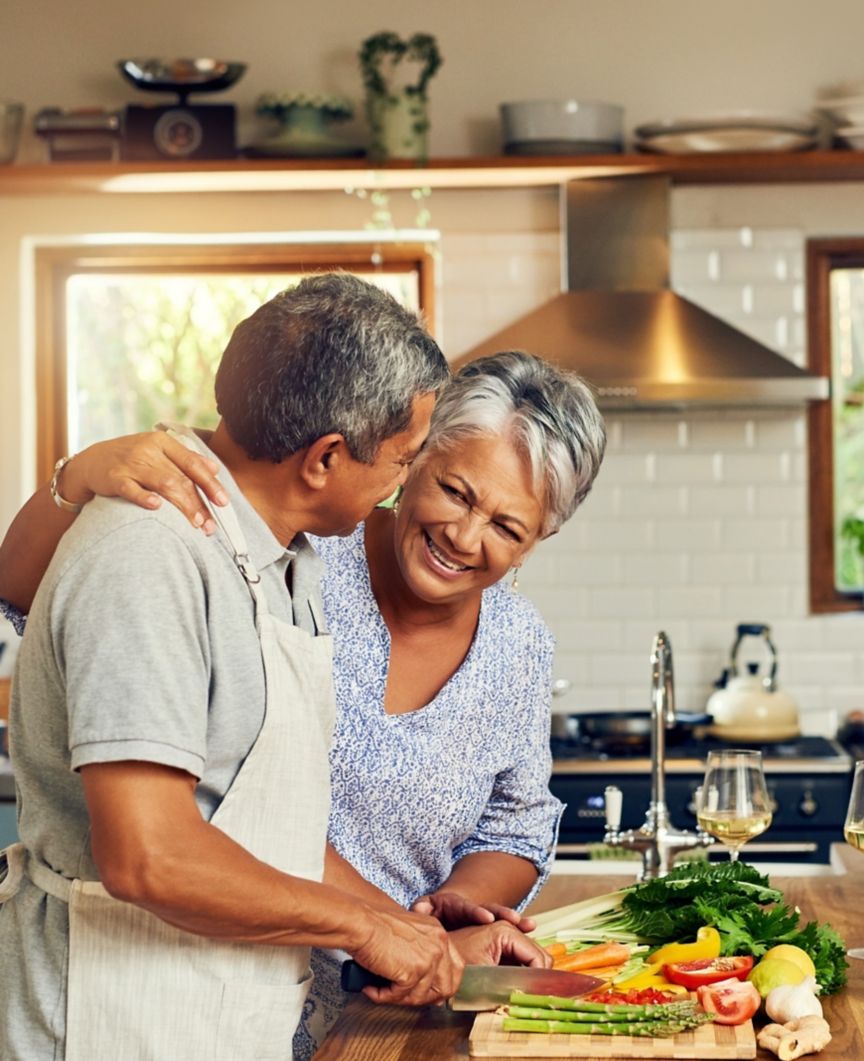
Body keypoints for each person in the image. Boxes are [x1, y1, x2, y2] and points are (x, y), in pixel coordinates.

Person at [0, 349, 608, 1057]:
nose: (464, 537)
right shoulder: (301, 552)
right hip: (200, 973)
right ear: (412, 457)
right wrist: (73, 478)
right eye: (455, 490)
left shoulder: (518, 642)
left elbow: (516, 819)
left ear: (540, 540)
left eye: (508, 528)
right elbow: (230, 820)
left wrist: (439, 926)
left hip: (394, 992)